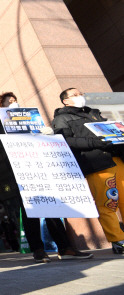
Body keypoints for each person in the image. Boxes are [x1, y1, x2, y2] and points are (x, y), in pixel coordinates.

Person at [0, 80, 94, 261]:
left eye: (14, 100)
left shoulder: (30, 121)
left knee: (51, 207)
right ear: (1, 107)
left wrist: (46, 134)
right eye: (9, 102)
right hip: (19, 172)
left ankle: (65, 248)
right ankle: (38, 250)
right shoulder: (0, 124)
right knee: (30, 210)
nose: (13, 103)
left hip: (40, 168)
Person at [52, 87, 124, 254]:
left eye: (81, 94)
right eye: (75, 95)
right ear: (65, 101)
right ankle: (117, 240)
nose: (80, 97)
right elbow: (66, 140)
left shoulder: (94, 113)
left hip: (116, 158)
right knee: (108, 203)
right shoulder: (62, 118)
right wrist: (94, 143)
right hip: (96, 163)